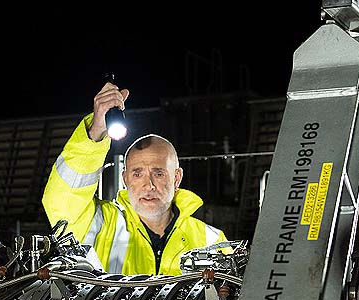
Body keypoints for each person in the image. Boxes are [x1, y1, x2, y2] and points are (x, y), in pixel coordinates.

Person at [43, 82, 225, 275]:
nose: (149, 185)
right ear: (125, 178)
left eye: (159, 173)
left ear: (177, 177)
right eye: (137, 174)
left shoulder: (212, 241)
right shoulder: (103, 224)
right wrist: (95, 133)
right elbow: (62, 200)